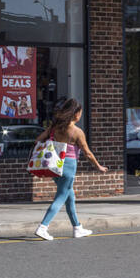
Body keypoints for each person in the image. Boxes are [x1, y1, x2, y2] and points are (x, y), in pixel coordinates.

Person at [33, 98, 108, 241]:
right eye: (80, 112)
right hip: (68, 165)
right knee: (61, 197)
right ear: (75, 114)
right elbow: (88, 153)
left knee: (69, 197)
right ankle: (43, 227)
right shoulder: (77, 132)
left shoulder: (54, 128)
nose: (80, 115)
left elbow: (37, 141)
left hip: (54, 165)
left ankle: (77, 228)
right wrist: (98, 166)